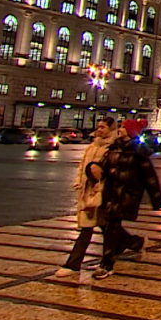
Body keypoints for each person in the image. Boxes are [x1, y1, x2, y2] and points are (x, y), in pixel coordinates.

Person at [94, 118, 161, 280]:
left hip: (127, 194)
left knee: (112, 226)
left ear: (131, 131)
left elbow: (149, 177)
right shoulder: (115, 147)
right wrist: (92, 169)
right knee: (107, 224)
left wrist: (156, 198)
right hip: (111, 193)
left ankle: (107, 264)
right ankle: (133, 243)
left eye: (124, 127)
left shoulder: (138, 152)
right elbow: (103, 166)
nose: (120, 129)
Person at [55, 117, 117, 277]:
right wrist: (78, 181)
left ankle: (73, 264)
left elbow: (110, 171)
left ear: (111, 129)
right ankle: (135, 243)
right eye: (99, 126)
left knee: (89, 229)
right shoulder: (93, 145)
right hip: (86, 192)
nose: (99, 129)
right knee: (105, 228)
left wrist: (100, 186)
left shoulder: (112, 147)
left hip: (99, 194)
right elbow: (82, 165)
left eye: (103, 127)